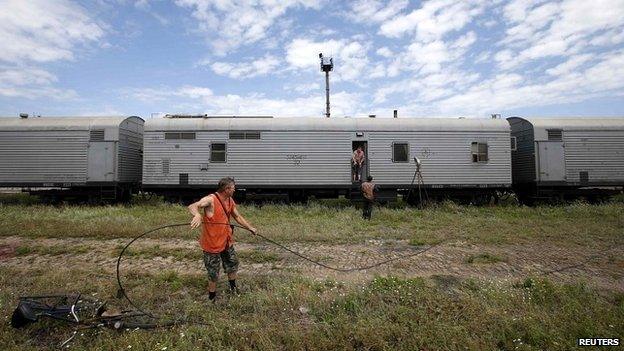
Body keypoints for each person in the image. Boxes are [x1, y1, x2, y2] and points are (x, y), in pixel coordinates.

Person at [189, 177, 257, 301]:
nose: (234, 190)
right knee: (213, 272)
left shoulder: (230, 200)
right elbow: (193, 206)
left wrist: (250, 227)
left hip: (226, 241)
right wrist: (197, 214)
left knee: (232, 264)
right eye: (233, 188)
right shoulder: (211, 199)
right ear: (227, 189)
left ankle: (233, 288)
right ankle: (212, 298)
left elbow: (237, 216)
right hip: (212, 244)